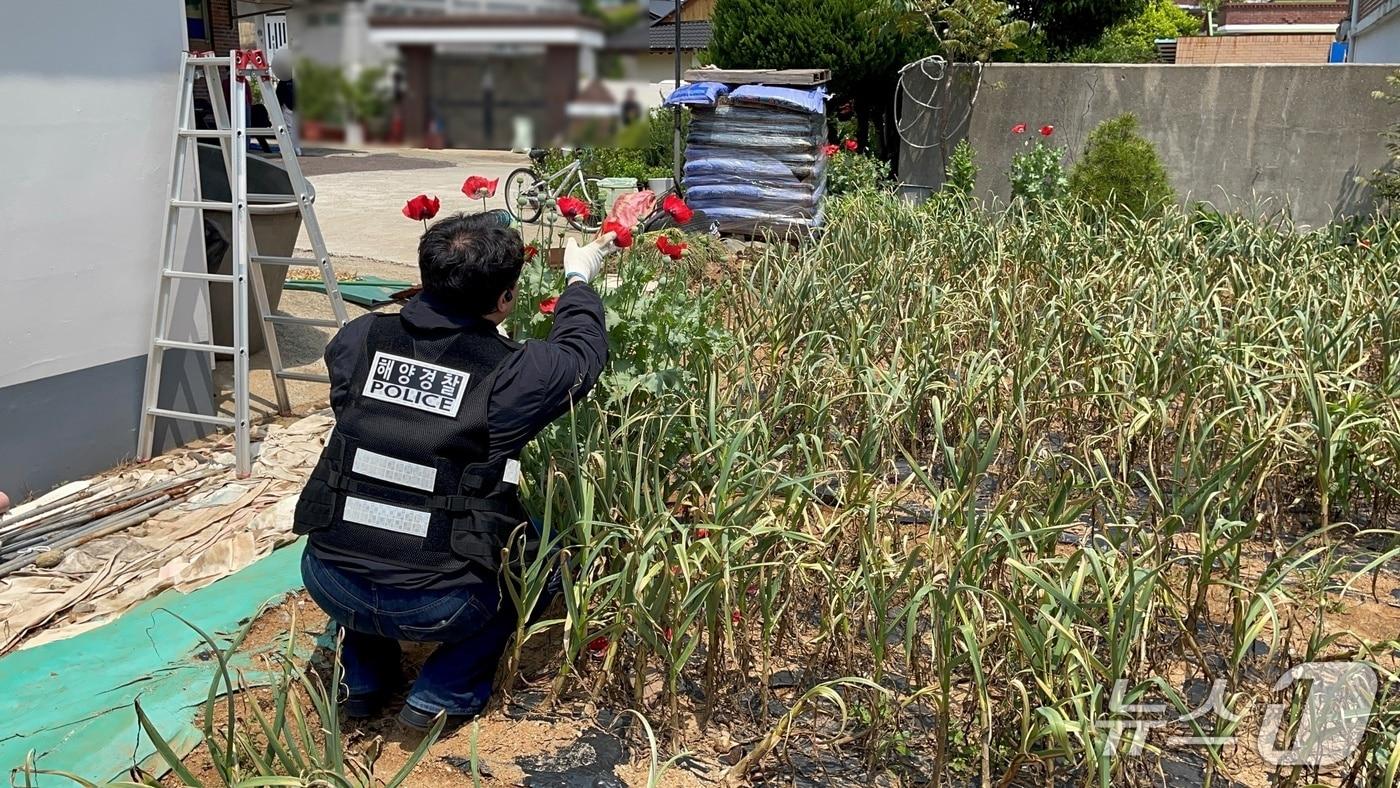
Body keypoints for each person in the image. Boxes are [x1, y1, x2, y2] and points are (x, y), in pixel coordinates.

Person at [294, 212, 618, 731]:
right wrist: (578, 276)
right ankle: (443, 690)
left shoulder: (358, 339)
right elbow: (583, 352)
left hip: (329, 579)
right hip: (441, 605)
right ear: (506, 298)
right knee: (534, 559)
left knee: (371, 529)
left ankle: (362, 679)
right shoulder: (515, 372)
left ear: (426, 275)